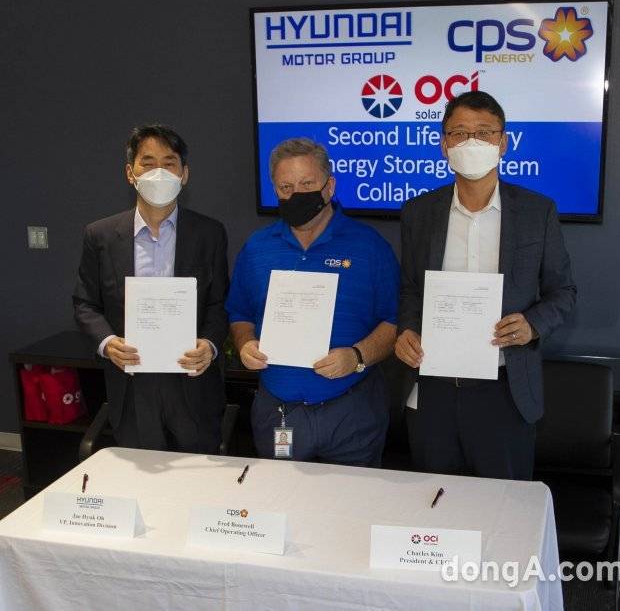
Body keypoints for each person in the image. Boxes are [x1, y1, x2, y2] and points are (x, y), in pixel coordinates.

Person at [395, 91, 576, 480]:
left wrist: (532, 325)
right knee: (434, 502)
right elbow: (409, 288)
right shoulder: (419, 212)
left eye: (483, 132)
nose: (471, 142)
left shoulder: (537, 212)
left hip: (505, 389)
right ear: (444, 145)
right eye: (459, 132)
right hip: (434, 387)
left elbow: (563, 292)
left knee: (504, 506)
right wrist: (406, 329)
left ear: (503, 142)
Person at [226, 138, 399, 466]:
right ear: (275, 191)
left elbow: (395, 321)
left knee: (355, 498)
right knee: (280, 495)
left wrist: (357, 356)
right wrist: (245, 343)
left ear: (329, 186)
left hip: (352, 412)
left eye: (307, 184)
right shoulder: (257, 248)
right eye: (286, 187)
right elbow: (240, 313)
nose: (297, 194)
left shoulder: (370, 247)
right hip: (279, 412)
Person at [73, 124, 229, 453]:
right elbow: (85, 303)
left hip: (191, 383)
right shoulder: (100, 235)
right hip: (132, 385)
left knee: (199, 473)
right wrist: (107, 343)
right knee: (142, 474)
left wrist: (210, 344)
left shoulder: (210, 233)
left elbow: (219, 303)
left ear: (184, 174)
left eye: (169, 163)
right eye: (148, 163)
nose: (159, 172)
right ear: (130, 173)